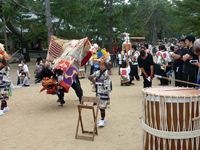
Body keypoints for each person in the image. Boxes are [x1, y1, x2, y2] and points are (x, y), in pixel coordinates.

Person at [88, 61, 112, 127]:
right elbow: (90, 77)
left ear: (105, 66)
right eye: (100, 65)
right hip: (98, 91)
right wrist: (94, 81)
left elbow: (108, 76)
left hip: (105, 91)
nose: (101, 66)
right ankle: (103, 119)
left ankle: (102, 119)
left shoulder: (107, 72)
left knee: (102, 106)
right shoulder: (97, 72)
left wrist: (109, 68)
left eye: (103, 65)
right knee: (100, 106)